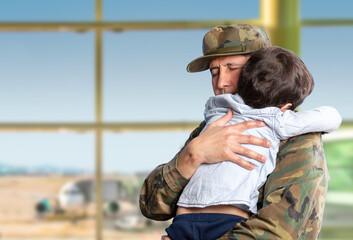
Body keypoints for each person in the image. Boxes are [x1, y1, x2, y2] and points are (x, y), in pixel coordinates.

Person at [139, 24, 331, 239]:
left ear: (262, 69)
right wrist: (190, 156)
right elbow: (152, 207)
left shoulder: (297, 136)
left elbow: (276, 231)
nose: (221, 82)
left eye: (232, 68)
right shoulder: (211, 129)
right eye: (214, 72)